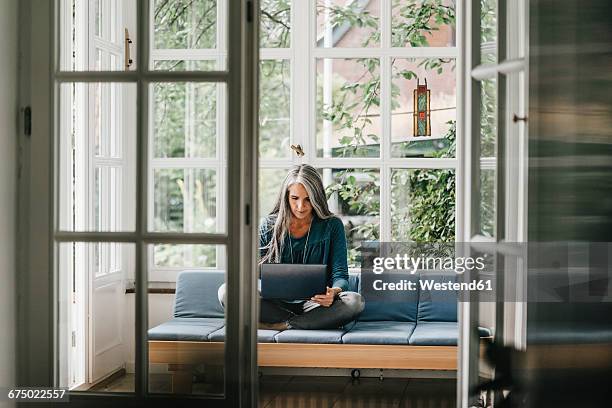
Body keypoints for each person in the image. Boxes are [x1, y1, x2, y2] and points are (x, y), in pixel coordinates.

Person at [218, 164, 364, 330]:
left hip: (315, 305)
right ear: (286, 196)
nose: (301, 206)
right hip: (275, 305)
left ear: (317, 197)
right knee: (226, 291)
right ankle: (307, 322)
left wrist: (334, 291)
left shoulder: (332, 225)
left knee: (354, 302)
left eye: (308, 199)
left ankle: (283, 325)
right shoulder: (268, 225)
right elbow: (254, 274)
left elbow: (341, 275)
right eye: (295, 198)